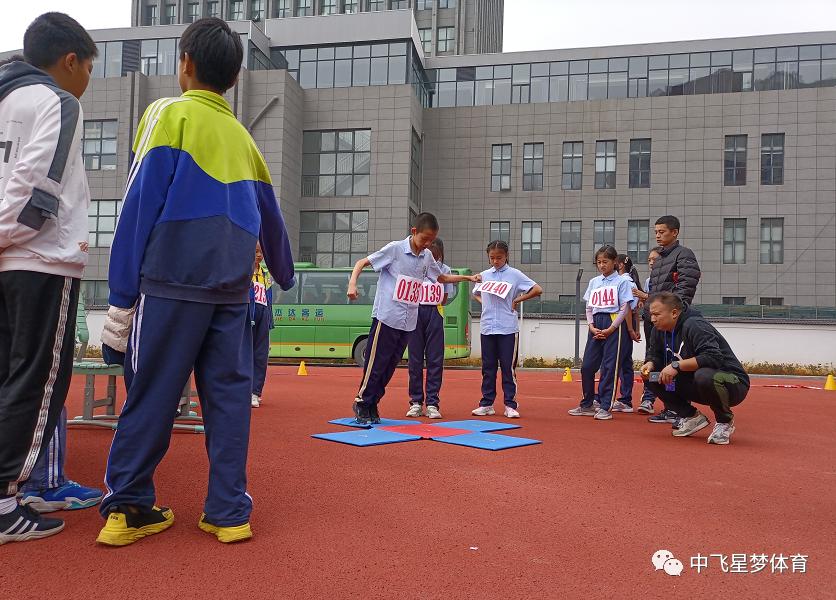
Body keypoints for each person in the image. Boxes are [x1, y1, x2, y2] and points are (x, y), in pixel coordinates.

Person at [96, 17, 295, 547]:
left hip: (170, 285)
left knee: (153, 394)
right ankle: (228, 512)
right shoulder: (244, 140)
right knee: (228, 401)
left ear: (185, 63)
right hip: (230, 294)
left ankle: (128, 508)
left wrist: (120, 297)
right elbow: (272, 218)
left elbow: (138, 205)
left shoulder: (170, 116)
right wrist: (284, 271)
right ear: (233, 77)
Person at [0, 14, 97, 544]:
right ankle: (4, 499)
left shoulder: (3, 99)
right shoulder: (59, 102)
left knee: (6, 377)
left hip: (7, 264)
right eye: (88, 67)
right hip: (39, 259)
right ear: (69, 61)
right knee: (36, 382)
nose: (87, 79)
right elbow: (38, 188)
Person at [346, 212, 479, 425]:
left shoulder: (426, 256)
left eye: (431, 240)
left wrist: (467, 278)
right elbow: (362, 263)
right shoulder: (395, 250)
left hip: (408, 321)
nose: (427, 244)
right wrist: (352, 284)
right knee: (376, 362)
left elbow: (441, 277)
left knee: (390, 365)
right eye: (424, 238)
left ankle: (373, 403)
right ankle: (361, 402)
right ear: (414, 231)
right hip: (387, 317)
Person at [641, 292, 749, 444]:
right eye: (651, 314)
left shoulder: (695, 325)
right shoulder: (657, 330)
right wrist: (650, 363)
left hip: (731, 382)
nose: (652, 319)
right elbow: (654, 354)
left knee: (704, 375)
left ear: (674, 313)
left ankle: (724, 422)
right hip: (693, 382)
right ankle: (691, 416)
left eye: (656, 314)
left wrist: (676, 365)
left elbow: (713, 357)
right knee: (652, 377)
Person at [471, 240, 542, 419]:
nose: (495, 261)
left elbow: (537, 289)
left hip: (507, 328)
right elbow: (476, 293)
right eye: (492, 258)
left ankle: (510, 404)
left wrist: (517, 300)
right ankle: (487, 403)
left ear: (506, 256)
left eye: (499, 258)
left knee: (507, 368)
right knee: (488, 367)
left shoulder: (515, 274)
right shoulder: (484, 275)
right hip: (487, 327)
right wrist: (485, 304)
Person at [645, 216, 701, 425]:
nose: (658, 235)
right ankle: (671, 406)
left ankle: (679, 409)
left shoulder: (683, 254)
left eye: (662, 231)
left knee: (673, 362)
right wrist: (649, 313)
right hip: (656, 319)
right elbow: (654, 291)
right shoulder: (659, 259)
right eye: (656, 232)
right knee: (655, 361)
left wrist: (675, 312)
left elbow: (687, 285)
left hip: (672, 320)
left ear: (675, 232)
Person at [568, 246, 635, 420]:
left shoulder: (622, 282)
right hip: (596, 323)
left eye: (605, 261)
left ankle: (605, 406)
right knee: (587, 366)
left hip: (614, 322)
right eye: (599, 262)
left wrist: (612, 328)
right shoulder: (594, 282)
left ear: (615, 262)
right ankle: (587, 403)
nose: (602, 265)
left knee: (609, 367)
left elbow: (625, 307)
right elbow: (589, 307)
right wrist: (590, 325)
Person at [406, 238, 455, 419]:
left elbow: (444, 297)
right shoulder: (414, 266)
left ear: (440, 254)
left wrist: (433, 306)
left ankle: (433, 403)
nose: (432, 259)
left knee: (435, 360)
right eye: (429, 254)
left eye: (436, 256)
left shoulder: (445, 270)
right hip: (415, 313)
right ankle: (416, 402)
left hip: (435, 313)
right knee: (415, 359)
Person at [610, 254, 642, 413]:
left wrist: (631, 329)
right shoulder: (626, 281)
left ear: (620, 265)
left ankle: (624, 399)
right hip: (623, 324)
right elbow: (635, 310)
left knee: (619, 363)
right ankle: (624, 398)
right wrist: (636, 329)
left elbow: (629, 308)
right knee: (623, 363)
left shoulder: (625, 281)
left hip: (621, 324)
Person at [632, 247, 661, 414]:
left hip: (669, 328)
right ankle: (648, 397)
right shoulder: (649, 280)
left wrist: (645, 296)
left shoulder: (672, 279)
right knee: (650, 359)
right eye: (649, 260)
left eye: (654, 260)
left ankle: (673, 404)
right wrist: (644, 301)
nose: (651, 263)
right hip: (652, 325)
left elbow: (666, 301)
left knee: (669, 361)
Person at [250, 243, 273, 409]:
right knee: (243, 355)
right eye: (256, 252)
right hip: (246, 317)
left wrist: (269, 320)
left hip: (262, 315)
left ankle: (255, 392)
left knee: (260, 355)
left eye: (261, 252)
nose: (259, 255)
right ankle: (242, 390)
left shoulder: (265, 274)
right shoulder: (243, 271)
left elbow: (269, 298)